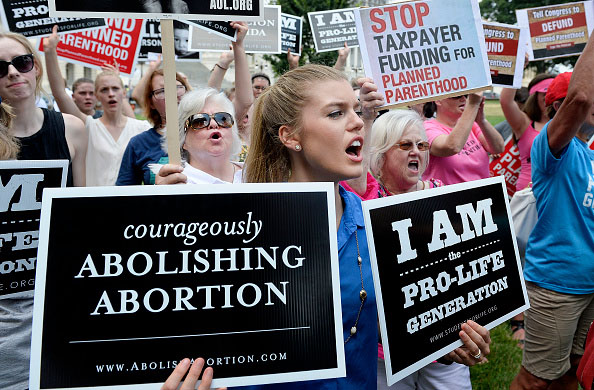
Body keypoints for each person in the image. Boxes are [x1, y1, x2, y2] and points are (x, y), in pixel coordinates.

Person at [239, 64, 491, 389]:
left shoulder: (376, 219)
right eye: (336, 113)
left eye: (356, 111)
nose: (358, 121)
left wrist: (445, 341)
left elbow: (388, 323)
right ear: (290, 136)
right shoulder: (240, 229)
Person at [0, 30, 88, 390]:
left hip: (56, 299)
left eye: (21, 63)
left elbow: (83, 215)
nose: (12, 73)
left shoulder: (73, 130)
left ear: (34, 67)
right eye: (0, 68)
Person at [368, 110, 478, 390]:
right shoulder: (365, 200)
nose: (416, 151)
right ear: (381, 154)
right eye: (405, 145)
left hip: (445, 345)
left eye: (422, 145)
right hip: (386, 352)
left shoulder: (443, 193)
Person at [510, 33, 594, 390]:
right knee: (535, 380)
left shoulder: (589, 154)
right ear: (558, 108)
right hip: (556, 286)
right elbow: (581, 96)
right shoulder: (552, 151)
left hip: (589, 285)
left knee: (574, 369)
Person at [44, 25, 151, 186]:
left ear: (123, 92)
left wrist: (116, 77)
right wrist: (50, 52)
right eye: (104, 89)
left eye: (115, 88)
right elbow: (60, 93)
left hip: (129, 205)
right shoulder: (88, 127)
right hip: (94, 205)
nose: (110, 93)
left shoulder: (140, 127)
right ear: (97, 95)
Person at [116, 68, 190, 185]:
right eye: (162, 91)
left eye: (177, 87)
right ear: (151, 103)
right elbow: (124, 196)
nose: (172, 94)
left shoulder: (206, 133)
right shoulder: (139, 144)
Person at [154, 88, 242, 185]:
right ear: (183, 140)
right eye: (200, 121)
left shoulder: (254, 174)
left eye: (223, 118)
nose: (214, 124)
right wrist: (160, 196)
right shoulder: (174, 184)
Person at [422, 93, 504, 185]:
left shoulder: (470, 125)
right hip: (452, 197)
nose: (463, 99)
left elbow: (498, 148)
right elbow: (452, 147)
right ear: (438, 100)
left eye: (466, 95)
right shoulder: (427, 128)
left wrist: (482, 121)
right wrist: (472, 105)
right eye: (457, 96)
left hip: (483, 194)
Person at [499, 74, 554, 191]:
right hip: (529, 192)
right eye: (545, 94)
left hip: (558, 191)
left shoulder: (566, 123)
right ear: (535, 97)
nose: (549, 99)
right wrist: (516, 65)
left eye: (554, 95)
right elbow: (505, 101)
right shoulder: (524, 123)